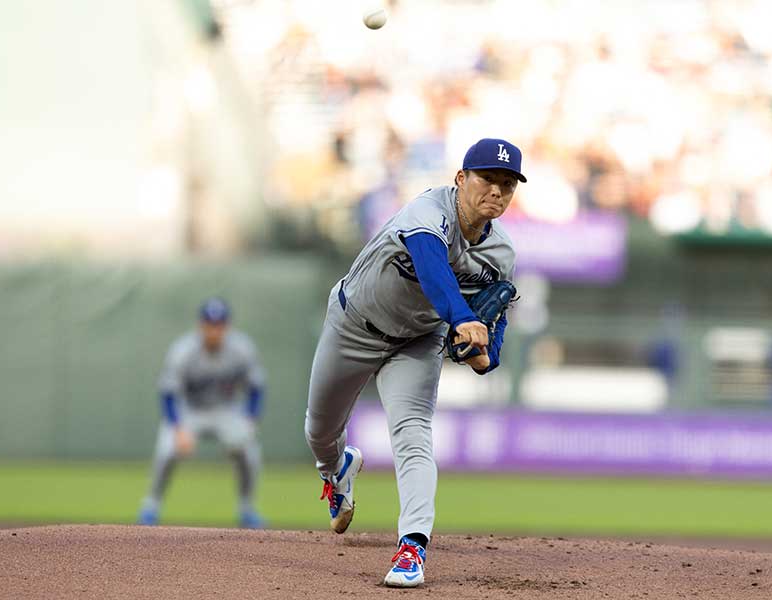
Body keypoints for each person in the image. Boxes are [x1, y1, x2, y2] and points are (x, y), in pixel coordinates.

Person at [305, 138, 524, 587]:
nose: (497, 192)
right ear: (461, 179)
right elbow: (431, 266)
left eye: (507, 184)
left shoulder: (501, 254)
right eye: (487, 179)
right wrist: (462, 317)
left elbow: (494, 334)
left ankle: (413, 548)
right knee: (319, 431)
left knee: (413, 433)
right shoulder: (429, 212)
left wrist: (484, 357)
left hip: (418, 340)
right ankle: (336, 471)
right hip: (354, 325)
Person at [137, 297, 267, 529]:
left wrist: (250, 419)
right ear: (201, 325)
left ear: (227, 326)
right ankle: (151, 506)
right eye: (209, 324)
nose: (214, 330)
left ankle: (247, 508)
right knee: (167, 450)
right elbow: (167, 393)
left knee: (248, 450)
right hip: (190, 410)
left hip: (226, 410)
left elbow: (256, 388)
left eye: (219, 324)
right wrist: (177, 428)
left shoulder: (241, 348)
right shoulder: (183, 350)